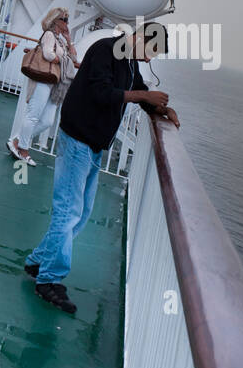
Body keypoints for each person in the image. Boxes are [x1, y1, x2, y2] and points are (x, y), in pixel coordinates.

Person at [25, 21, 179, 316]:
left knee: (79, 213)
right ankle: (48, 280)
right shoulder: (105, 50)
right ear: (141, 38)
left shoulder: (130, 62)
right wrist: (143, 97)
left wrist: (160, 108)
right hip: (78, 139)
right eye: (152, 50)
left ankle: (37, 261)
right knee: (68, 211)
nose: (150, 58)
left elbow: (137, 89)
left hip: (93, 144)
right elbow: (100, 92)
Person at [6, 7, 78, 165]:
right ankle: (23, 150)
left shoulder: (61, 40)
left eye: (67, 19)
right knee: (33, 115)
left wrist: (69, 39)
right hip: (44, 78)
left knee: (47, 121)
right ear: (55, 20)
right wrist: (60, 60)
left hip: (56, 83)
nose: (67, 22)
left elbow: (73, 58)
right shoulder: (49, 35)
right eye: (64, 19)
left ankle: (16, 141)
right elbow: (47, 54)